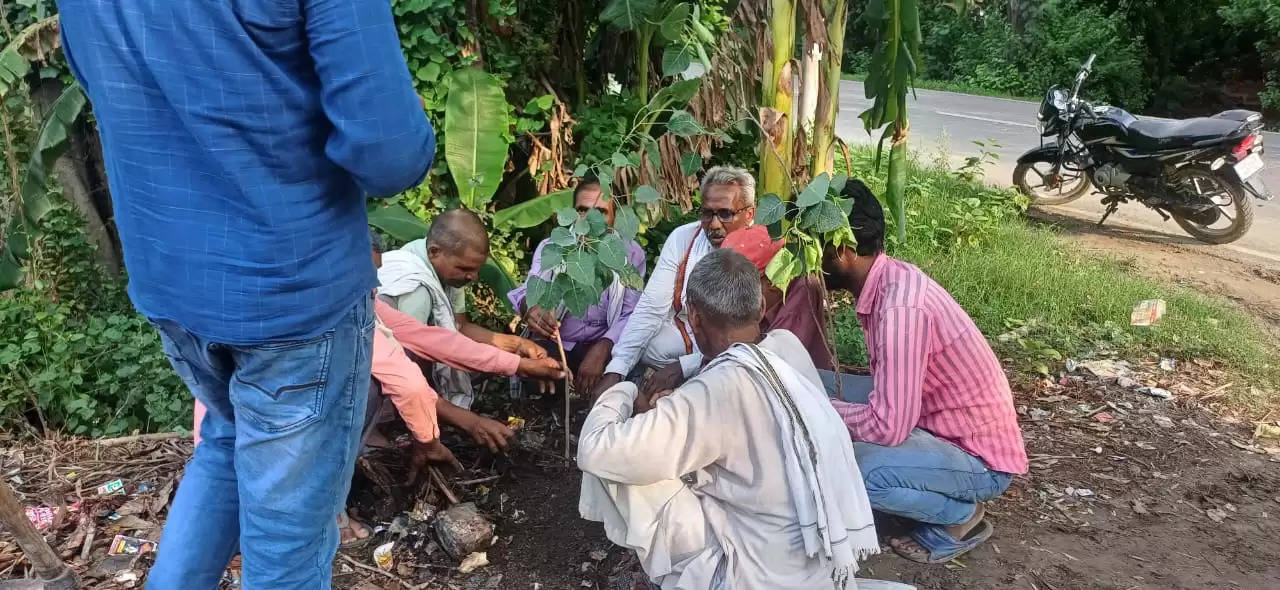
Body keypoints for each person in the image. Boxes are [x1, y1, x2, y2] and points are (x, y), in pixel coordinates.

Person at [60, 0, 435, 586]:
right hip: (290, 292)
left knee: (226, 440)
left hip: (172, 283)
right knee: (290, 552)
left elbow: (103, 82)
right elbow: (389, 155)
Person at [577, 249, 880, 589]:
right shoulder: (788, 347)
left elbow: (595, 449)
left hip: (757, 578)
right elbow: (737, 362)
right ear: (761, 307)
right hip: (818, 562)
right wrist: (686, 372)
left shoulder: (716, 392)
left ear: (693, 317)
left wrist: (624, 395)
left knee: (624, 468)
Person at [821, 180, 1029, 564]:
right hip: (929, 421)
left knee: (855, 473)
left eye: (815, 248)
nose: (809, 263)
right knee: (809, 382)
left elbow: (888, 426)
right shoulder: (885, 280)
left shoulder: (901, 309)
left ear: (844, 250)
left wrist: (820, 411)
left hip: (977, 457)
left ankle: (961, 517)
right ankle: (918, 483)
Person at [592, 166, 757, 396]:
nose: (714, 224)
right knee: (648, 345)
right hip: (689, 334)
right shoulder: (684, 238)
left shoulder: (763, 248)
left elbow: (753, 331)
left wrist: (684, 365)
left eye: (725, 214)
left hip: (742, 344)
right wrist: (616, 370)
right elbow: (651, 307)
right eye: (707, 213)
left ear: (749, 214)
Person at [377, 209, 557, 408]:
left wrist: (518, 345)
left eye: (476, 269)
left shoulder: (446, 269)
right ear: (434, 251)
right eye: (465, 269)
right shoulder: (417, 289)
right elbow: (415, 355)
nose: (473, 277)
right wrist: (460, 418)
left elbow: (459, 327)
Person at [642, 225, 835, 395]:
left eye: (741, 285)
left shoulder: (800, 294)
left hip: (793, 387)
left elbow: (754, 364)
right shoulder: (759, 311)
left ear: (773, 283)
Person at [507, 179, 646, 394]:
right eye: (582, 210)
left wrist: (603, 347)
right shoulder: (553, 246)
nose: (590, 220)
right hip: (558, 342)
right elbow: (529, 290)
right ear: (572, 213)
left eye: (600, 212)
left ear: (615, 217)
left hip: (603, 342)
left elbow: (632, 313)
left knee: (619, 380)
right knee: (540, 376)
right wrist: (531, 308)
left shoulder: (629, 253)